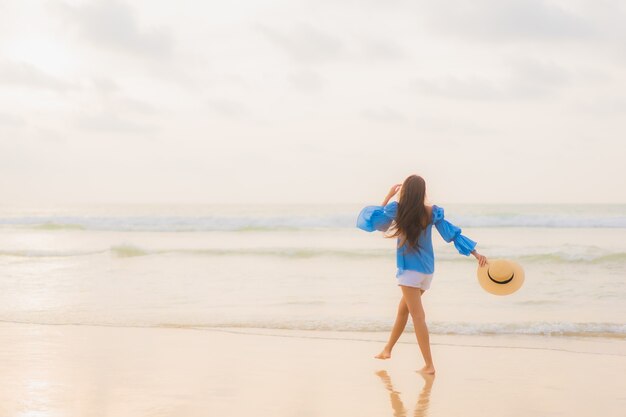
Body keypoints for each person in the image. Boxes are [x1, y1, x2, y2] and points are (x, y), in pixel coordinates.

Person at [356, 174, 488, 374]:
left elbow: (375, 222)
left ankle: (429, 365)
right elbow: (453, 234)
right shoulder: (432, 212)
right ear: (423, 191)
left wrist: (388, 195)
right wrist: (475, 253)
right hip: (427, 271)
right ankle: (387, 349)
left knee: (418, 317)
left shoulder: (397, 210)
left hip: (409, 271)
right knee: (403, 311)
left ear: (405, 191)